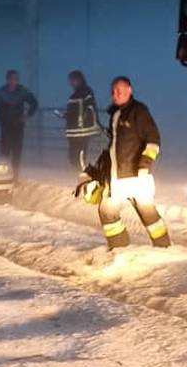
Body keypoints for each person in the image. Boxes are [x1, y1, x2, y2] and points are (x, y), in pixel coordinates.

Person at [76, 75, 170, 251]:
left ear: (129, 90)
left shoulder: (139, 111)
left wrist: (144, 164)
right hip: (117, 178)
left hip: (136, 177)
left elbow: (153, 140)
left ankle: (163, 248)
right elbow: (114, 147)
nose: (115, 94)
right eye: (113, 91)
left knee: (148, 215)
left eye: (119, 91)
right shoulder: (116, 114)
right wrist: (100, 169)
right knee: (107, 211)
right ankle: (120, 249)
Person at [63, 70, 101, 173]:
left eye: (72, 80)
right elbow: (75, 111)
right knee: (72, 157)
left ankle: (84, 176)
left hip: (82, 131)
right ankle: (79, 174)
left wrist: (84, 117)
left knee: (79, 156)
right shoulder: (75, 94)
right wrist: (67, 115)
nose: (70, 83)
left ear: (79, 80)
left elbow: (90, 106)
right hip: (74, 131)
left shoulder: (86, 92)